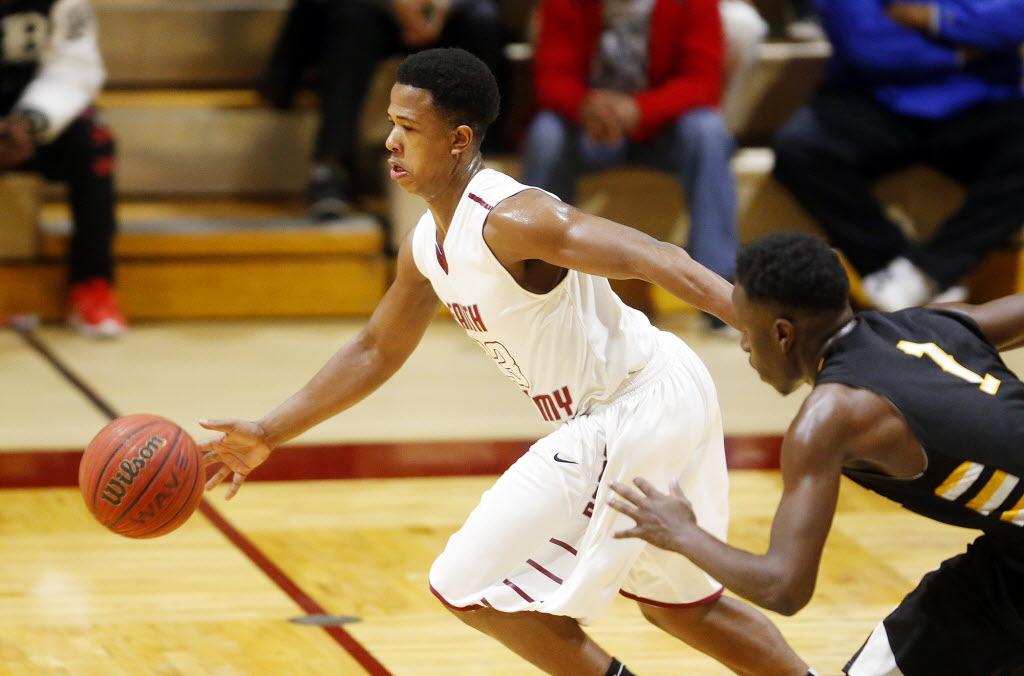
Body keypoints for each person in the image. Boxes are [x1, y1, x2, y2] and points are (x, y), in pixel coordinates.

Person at [201, 48, 809, 675]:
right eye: (391, 123)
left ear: (458, 140)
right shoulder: (425, 246)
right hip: (660, 392)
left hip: (631, 405)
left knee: (465, 579)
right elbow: (375, 349)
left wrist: (774, 334)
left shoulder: (514, 218)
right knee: (681, 607)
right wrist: (271, 431)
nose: (390, 141)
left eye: (409, 129)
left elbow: (653, 256)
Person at [610, 232, 1024, 674]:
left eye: (747, 330)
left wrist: (681, 531)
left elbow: (784, 587)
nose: (745, 345)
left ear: (783, 334)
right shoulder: (931, 324)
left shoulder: (831, 417)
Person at [772, 0, 1024, 313]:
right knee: (800, 147)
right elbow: (865, 46)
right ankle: (891, 270)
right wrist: (960, 51)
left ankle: (927, 273)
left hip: (978, 102)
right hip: (871, 100)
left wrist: (932, 18)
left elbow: (1015, 20)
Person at [520, 0, 740, 330]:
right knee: (545, 135)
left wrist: (639, 110)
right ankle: (536, 285)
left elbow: (703, 82)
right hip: (590, 129)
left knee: (709, 131)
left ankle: (718, 290)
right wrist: (587, 106)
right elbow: (550, 79)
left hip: (666, 131)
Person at [258, 0, 504, 222]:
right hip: (370, 12)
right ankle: (331, 167)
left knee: (483, 20)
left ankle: (475, 163)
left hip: (446, 13)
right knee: (351, 22)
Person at [0, 0, 125, 336]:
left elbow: (75, 66)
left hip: (33, 114)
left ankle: (93, 286)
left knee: (95, 142)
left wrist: (30, 122)